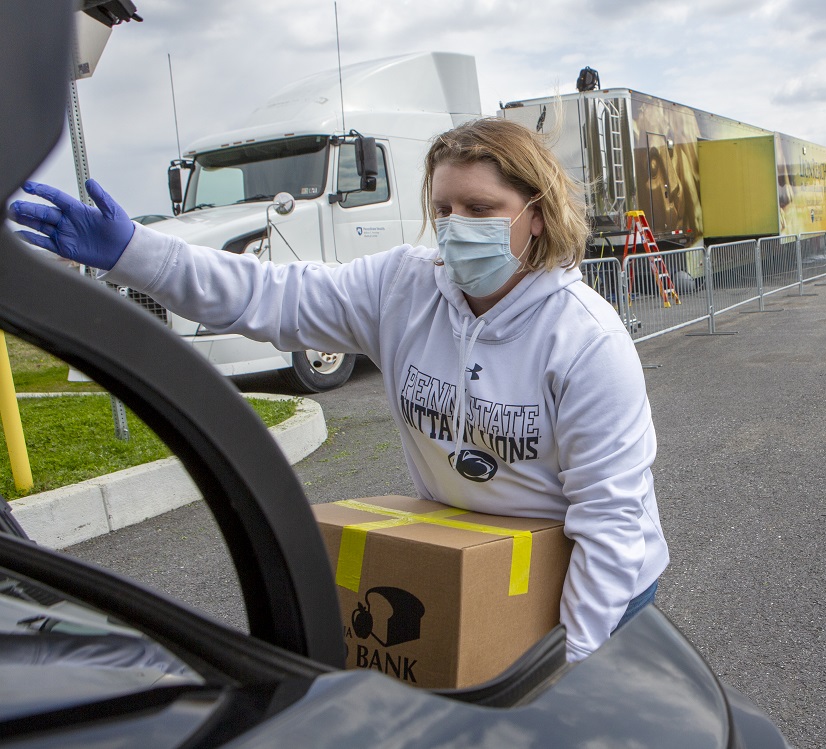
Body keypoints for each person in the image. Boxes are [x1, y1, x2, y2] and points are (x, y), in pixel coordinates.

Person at [8, 117, 669, 664]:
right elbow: (268, 296)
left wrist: (570, 667)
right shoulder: (404, 288)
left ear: (536, 215)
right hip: (480, 571)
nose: (456, 225)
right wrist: (133, 254)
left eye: (480, 208)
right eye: (442, 208)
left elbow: (609, 526)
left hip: (596, 593)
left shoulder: (584, 340)